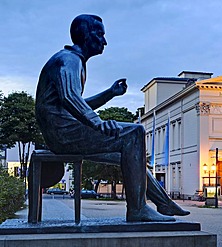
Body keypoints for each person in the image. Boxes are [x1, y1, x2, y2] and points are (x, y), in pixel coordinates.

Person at [35, 14, 189, 222]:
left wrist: (109, 93)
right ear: (85, 35)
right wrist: (98, 123)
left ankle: (163, 203)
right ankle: (137, 209)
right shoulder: (68, 60)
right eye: (100, 34)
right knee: (135, 133)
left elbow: (75, 104)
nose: (104, 41)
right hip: (63, 135)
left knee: (128, 157)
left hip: (64, 132)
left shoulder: (73, 61)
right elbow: (70, 98)